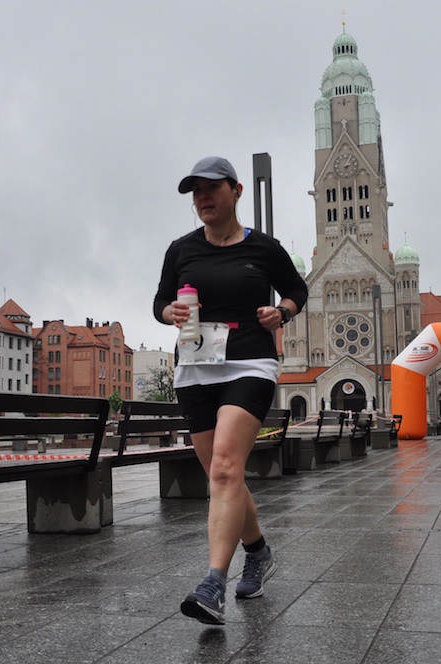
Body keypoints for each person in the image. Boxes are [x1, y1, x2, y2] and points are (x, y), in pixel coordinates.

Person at [154, 156, 309, 625]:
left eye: (211, 188)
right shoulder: (181, 250)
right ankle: (258, 552)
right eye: (195, 192)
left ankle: (212, 585)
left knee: (224, 468)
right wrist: (171, 314)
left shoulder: (264, 248)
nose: (202, 198)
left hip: (249, 362)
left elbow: (297, 290)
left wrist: (281, 312)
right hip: (195, 367)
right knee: (224, 477)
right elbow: (160, 302)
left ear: (236, 191)